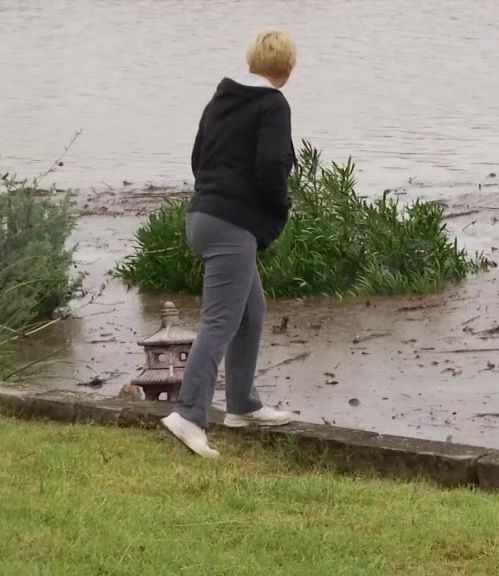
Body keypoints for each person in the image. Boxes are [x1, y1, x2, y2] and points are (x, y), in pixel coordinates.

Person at [162, 29, 298, 458]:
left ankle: (242, 404)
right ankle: (188, 414)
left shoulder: (220, 100)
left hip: (201, 217)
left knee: (250, 310)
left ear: (252, 60)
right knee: (219, 321)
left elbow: (198, 157)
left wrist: (218, 192)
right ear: (288, 69)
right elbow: (272, 164)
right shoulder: (273, 105)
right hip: (230, 224)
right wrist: (277, 210)